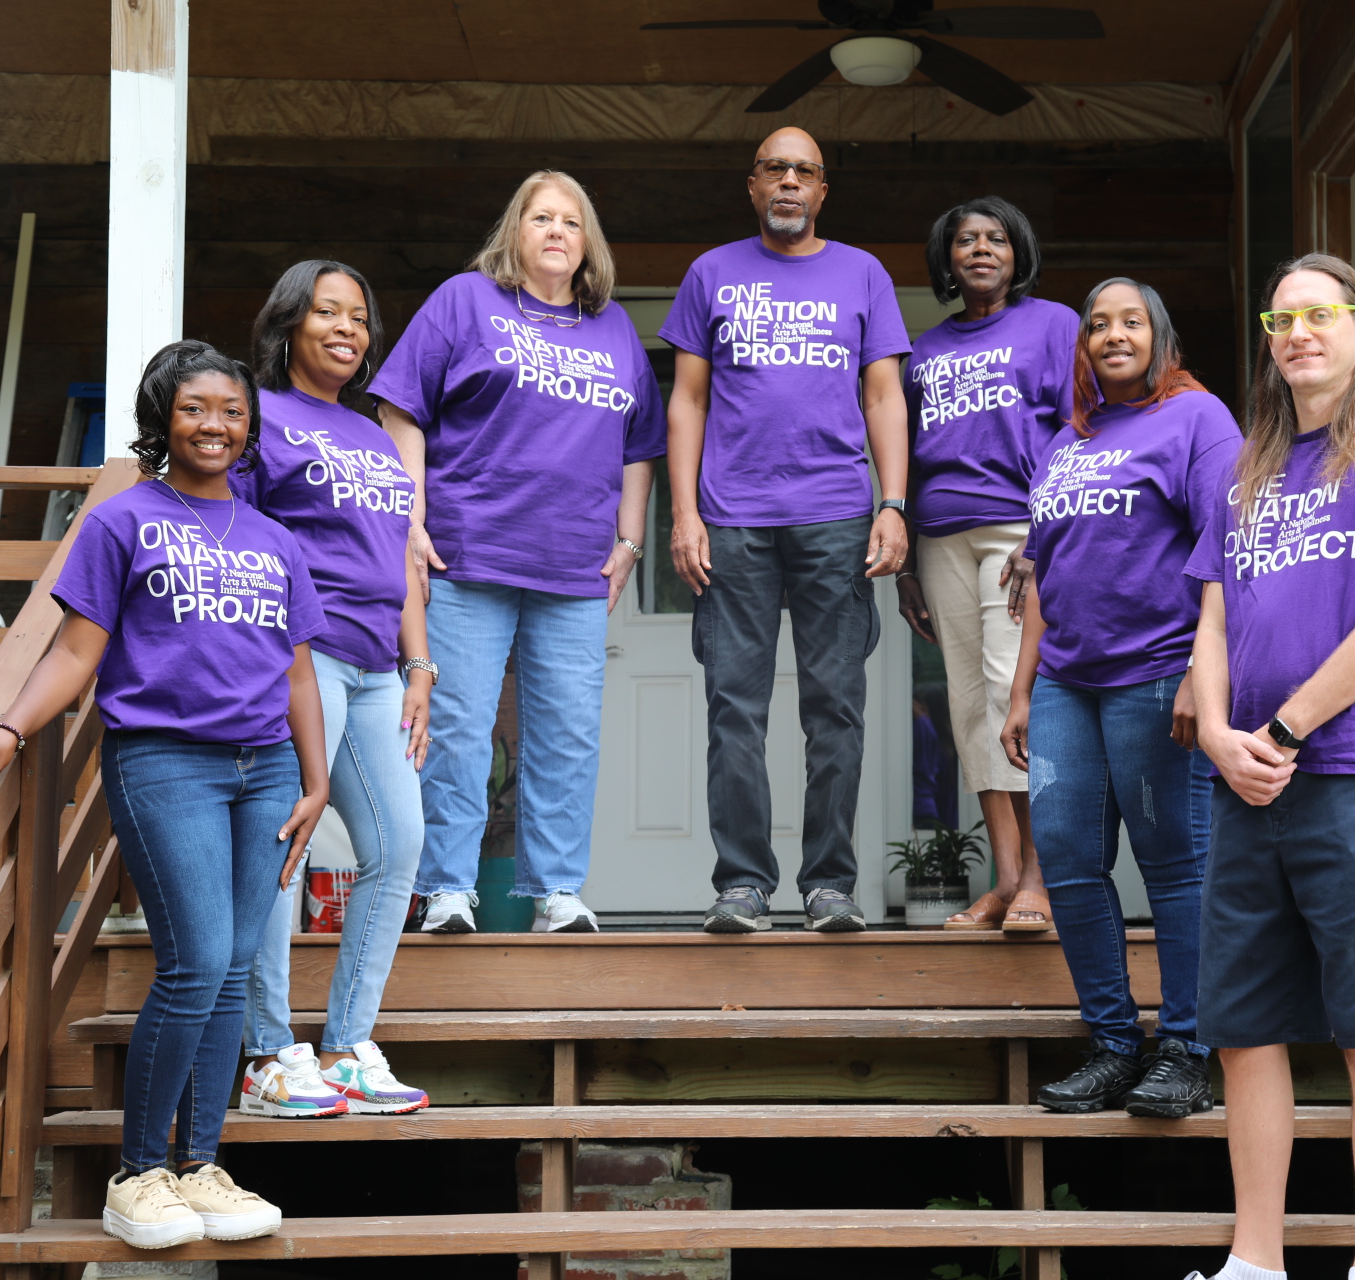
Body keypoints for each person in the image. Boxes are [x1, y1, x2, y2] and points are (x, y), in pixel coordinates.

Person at [0, 341, 328, 1249]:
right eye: (194, 409)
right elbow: (73, 652)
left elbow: (297, 673)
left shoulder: (275, 540)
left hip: (265, 772)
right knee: (198, 959)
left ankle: (201, 1165)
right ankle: (138, 1173)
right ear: (163, 419)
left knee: (230, 974)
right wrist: (6, 731)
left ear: (250, 423)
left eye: (230, 409)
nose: (214, 424)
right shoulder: (124, 522)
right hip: (165, 760)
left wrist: (317, 778)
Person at [1185, 253, 1355, 1280]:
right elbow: (1210, 621)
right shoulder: (1243, 468)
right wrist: (1218, 733)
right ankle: (1255, 1261)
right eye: (1280, 318)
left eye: (1319, 315)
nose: (1297, 332)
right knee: (1246, 1030)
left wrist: (1287, 729)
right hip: (1245, 781)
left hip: (1353, 772)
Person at [376, 170, 665, 935]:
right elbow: (400, 407)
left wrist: (630, 542)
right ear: (516, 231)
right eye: (541, 218)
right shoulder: (464, 302)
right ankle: (446, 890)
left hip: (573, 568)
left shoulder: (614, 333)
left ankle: (556, 893)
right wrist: (411, 517)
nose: (557, 231)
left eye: (572, 221)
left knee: (567, 732)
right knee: (461, 727)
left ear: (587, 243)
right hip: (469, 555)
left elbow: (641, 447)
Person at [660, 127, 912, 934]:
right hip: (732, 521)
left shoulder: (863, 273)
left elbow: (883, 398)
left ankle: (829, 885)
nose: (790, 183)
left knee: (835, 708)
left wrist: (893, 502)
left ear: (823, 189)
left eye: (805, 171)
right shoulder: (712, 273)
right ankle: (742, 885)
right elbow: (687, 400)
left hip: (837, 516)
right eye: (776, 169)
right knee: (734, 707)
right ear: (753, 183)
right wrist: (684, 511)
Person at [1001, 279, 1238, 1117]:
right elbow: (1043, 574)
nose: (1111, 334)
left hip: (1159, 669)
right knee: (1067, 859)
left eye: (1130, 321)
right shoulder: (1068, 441)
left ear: (1158, 335)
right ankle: (1111, 1043)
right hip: (1068, 680)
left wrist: (1205, 675)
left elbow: (1229, 544)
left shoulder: (1198, 420)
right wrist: (1023, 689)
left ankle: (1185, 1045)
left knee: (1174, 864)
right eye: (1097, 324)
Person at [234, 260, 433, 1119]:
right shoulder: (260, 417)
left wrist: (418, 665)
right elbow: (231, 532)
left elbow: (402, 556)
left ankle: (348, 1044)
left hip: (377, 665)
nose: (347, 328)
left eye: (359, 315)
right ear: (289, 325)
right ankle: (268, 1052)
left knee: (398, 846)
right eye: (327, 312)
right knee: (290, 848)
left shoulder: (377, 435)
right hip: (298, 660)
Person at [897, 196, 1074, 931]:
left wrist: (1044, 540)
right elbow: (905, 453)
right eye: (964, 240)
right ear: (947, 260)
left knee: (1012, 697)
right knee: (970, 704)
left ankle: (1042, 878)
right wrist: (905, 562)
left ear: (1016, 250)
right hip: (941, 536)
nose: (979, 250)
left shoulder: (1054, 326)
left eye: (995, 238)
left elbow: (1077, 430)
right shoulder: (925, 352)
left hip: (1016, 532)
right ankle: (1004, 881)